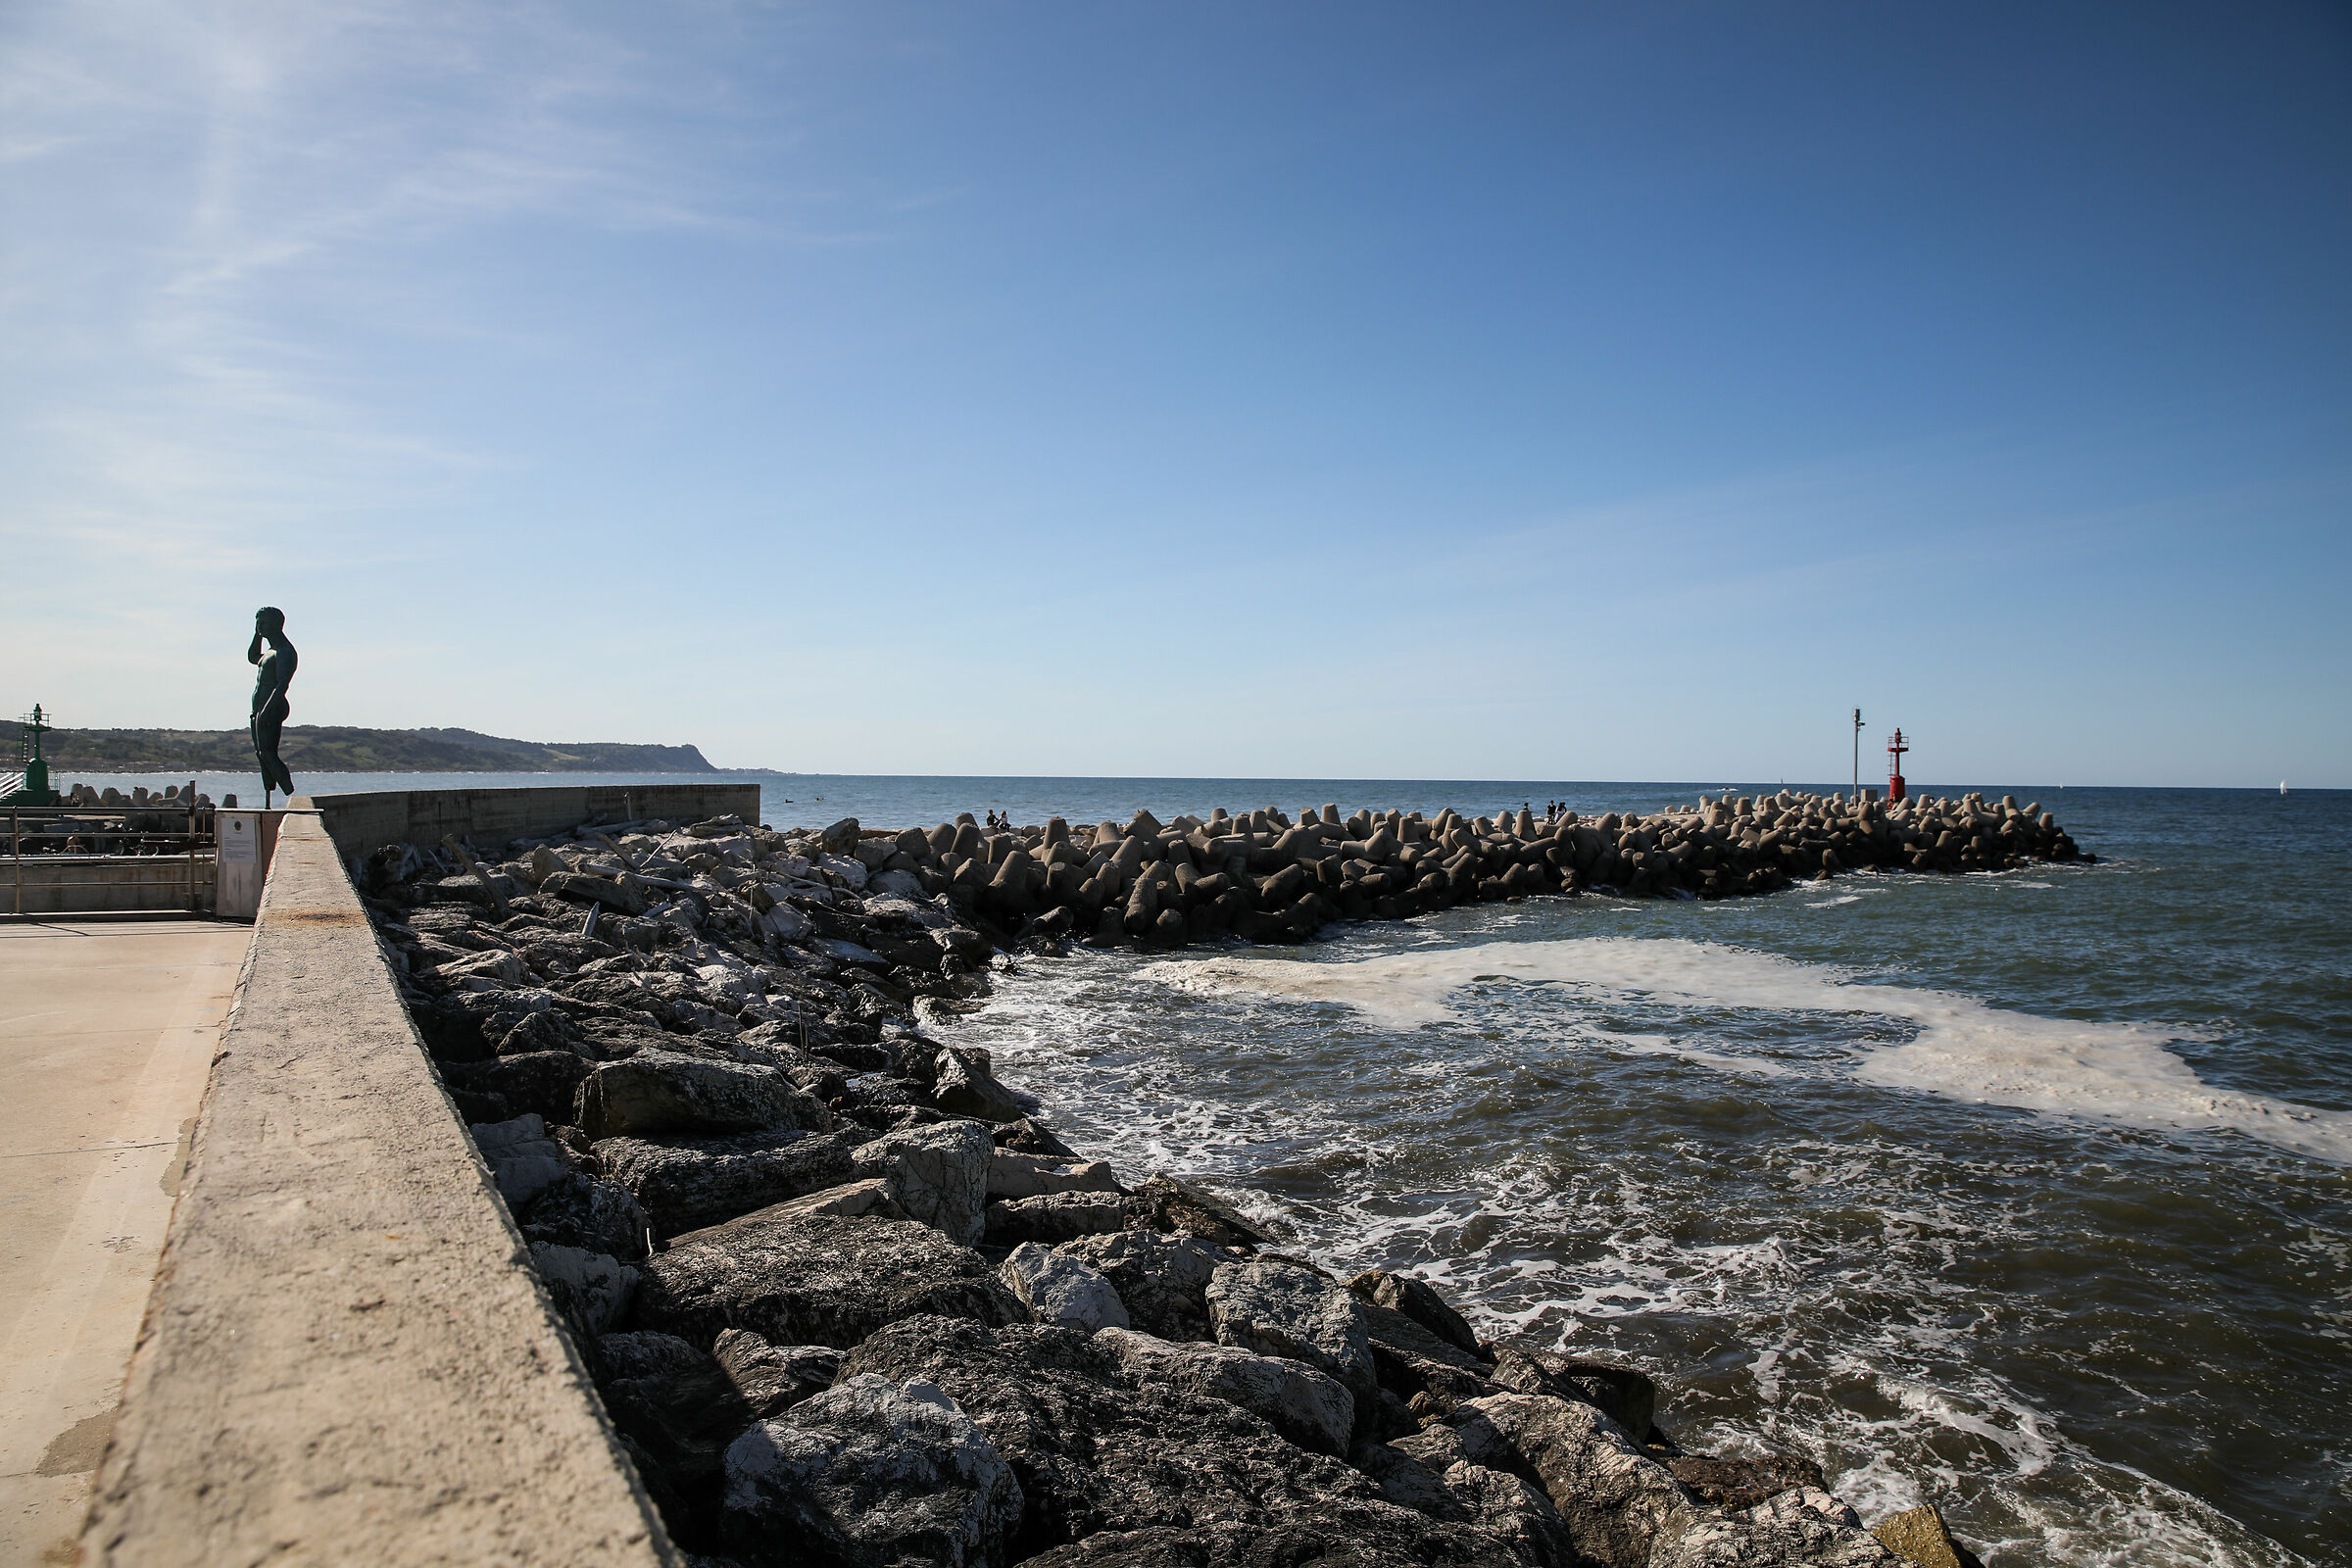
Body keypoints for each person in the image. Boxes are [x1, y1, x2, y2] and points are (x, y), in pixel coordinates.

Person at [247, 606, 297, 803]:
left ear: (276, 624)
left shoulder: (284, 651)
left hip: (272, 707)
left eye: (263, 623)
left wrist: (267, 712)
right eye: (258, 623)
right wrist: (256, 634)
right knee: (261, 753)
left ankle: (288, 789)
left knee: (268, 753)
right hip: (258, 707)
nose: (260, 626)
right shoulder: (269, 651)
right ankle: (269, 788)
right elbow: (252, 657)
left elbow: (282, 683)